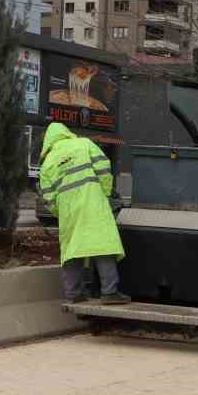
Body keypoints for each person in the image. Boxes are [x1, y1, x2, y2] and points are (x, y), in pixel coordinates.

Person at [38, 122, 127, 304]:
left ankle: (74, 294)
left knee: (72, 250)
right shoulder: (84, 144)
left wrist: (59, 211)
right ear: (66, 133)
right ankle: (109, 293)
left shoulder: (47, 163)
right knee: (103, 245)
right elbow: (103, 166)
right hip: (93, 202)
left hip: (68, 210)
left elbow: (48, 196)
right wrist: (105, 191)